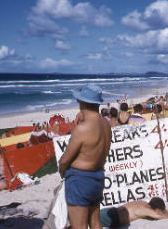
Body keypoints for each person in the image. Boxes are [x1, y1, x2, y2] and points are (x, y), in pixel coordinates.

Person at [49, 84, 112, 229]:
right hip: (98, 176)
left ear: (82, 102)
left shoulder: (82, 128)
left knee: (80, 226)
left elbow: (65, 160)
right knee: (95, 221)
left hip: (80, 179)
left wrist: (62, 171)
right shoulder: (106, 124)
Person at [100, 197, 168, 228]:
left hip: (109, 211)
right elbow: (165, 216)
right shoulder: (145, 210)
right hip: (111, 218)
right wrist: (164, 212)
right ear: (157, 210)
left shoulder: (142, 202)